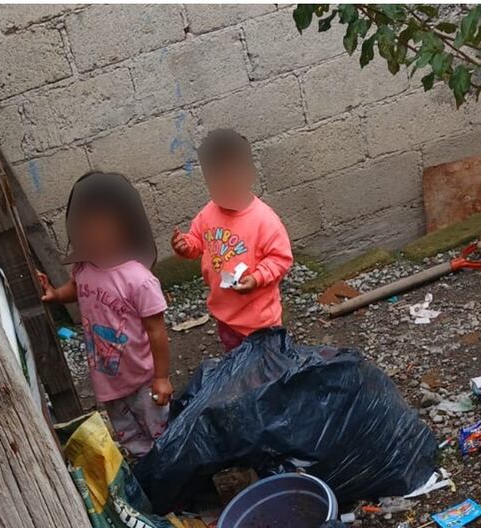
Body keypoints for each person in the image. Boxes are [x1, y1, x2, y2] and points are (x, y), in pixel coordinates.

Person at [36, 171, 172, 459]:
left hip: (143, 376)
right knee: (129, 434)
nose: (96, 239)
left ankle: (172, 472)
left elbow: (156, 331)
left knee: (161, 432)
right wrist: (56, 294)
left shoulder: (138, 279)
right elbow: (78, 287)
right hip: (108, 379)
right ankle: (147, 470)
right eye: (88, 232)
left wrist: (162, 377)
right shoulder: (85, 268)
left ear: (125, 230)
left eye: (104, 231)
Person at [171, 128, 293, 351]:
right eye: (217, 179)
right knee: (236, 359)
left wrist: (257, 278)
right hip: (225, 315)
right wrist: (184, 246)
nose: (225, 185)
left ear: (247, 175)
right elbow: (197, 242)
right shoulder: (208, 213)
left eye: (231, 177)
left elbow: (281, 259)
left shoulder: (264, 220)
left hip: (259, 320)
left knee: (267, 365)